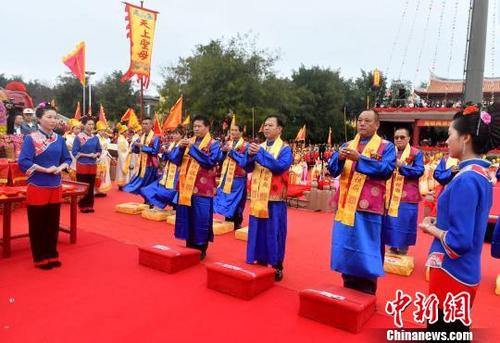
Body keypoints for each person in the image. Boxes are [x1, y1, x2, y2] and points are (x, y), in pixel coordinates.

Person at [419, 105, 500, 334]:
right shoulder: (480, 175)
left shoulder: (466, 179)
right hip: (464, 271)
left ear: (465, 138)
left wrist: (431, 229)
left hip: (452, 271)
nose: (446, 141)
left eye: (449, 135)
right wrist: (439, 223)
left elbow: (460, 240)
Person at [327, 110, 396, 295]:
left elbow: (387, 169)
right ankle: (347, 282)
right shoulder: (348, 145)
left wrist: (360, 159)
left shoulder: (386, 147)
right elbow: (333, 170)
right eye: (359, 120)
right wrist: (339, 158)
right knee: (345, 243)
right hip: (345, 205)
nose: (362, 124)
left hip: (369, 207)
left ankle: (367, 287)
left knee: (367, 246)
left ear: (377, 125)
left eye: (367, 121)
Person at [18, 102, 72, 270]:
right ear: (39, 119)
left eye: (55, 117)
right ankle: (40, 257)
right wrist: (44, 169)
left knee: (52, 222)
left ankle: (52, 254)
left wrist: (60, 168)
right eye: (49, 117)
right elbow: (24, 161)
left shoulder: (59, 139)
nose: (53, 120)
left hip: (55, 185)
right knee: (38, 223)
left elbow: (67, 159)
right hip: (37, 185)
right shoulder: (31, 138)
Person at [244, 115, 293, 281]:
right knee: (258, 230)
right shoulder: (259, 147)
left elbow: (279, 167)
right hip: (258, 196)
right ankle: (261, 259)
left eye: (270, 125)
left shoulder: (285, 149)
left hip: (274, 199)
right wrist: (249, 156)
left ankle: (277, 265)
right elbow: (248, 167)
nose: (266, 128)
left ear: (279, 129)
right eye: (265, 125)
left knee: (275, 232)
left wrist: (259, 154)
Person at [171, 115, 221, 259]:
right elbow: (175, 160)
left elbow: (210, 161)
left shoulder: (213, 144)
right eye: (194, 126)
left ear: (207, 128)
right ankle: (189, 245)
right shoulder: (188, 142)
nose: (196, 129)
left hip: (203, 189)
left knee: (201, 218)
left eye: (199, 126)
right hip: (186, 187)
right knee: (187, 217)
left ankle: (201, 248)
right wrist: (180, 149)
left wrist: (192, 149)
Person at [383, 127, 424, 255]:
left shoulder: (416, 153)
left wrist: (403, 167)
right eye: (396, 137)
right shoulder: (389, 152)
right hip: (390, 193)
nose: (399, 140)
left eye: (402, 137)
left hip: (407, 195)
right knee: (391, 221)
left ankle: (403, 248)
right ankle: (392, 247)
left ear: (409, 138)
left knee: (405, 222)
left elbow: (419, 171)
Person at [214, 123, 248, 230]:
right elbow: (219, 159)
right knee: (225, 197)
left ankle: (237, 221)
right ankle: (228, 218)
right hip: (226, 176)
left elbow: (244, 161)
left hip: (239, 177)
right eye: (232, 130)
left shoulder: (246, 146)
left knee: (238, 200)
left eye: (236, 130)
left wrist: (231, 152)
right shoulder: (228, 143)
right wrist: (223, 153)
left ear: (241, 132)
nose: (233, 132)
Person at [140, 125, 183, 209]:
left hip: (177, 171)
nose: (174, 136)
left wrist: (167, 153)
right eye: (174, 134)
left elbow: (175, 158)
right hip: (168, 169)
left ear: (182, 135)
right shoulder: (171, 144)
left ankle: (175, 206)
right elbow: (165, 158)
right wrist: (164, 152)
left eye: (177, 134)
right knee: (160, 187)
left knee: (173, 189)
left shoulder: (181, 146)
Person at [123, 118, 160, 201]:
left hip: (151, 165)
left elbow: (154, 151)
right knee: (142, 183)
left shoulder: (155, 138)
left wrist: (141, 146)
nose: (144, 126)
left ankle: (150, 201)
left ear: (151, 125)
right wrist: (134, 145)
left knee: (149, 184)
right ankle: (147, 200)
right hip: (142, 165)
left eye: (147, 124)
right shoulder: (141, 137)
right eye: (143, 123)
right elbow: (136, 151)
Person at [72, 117, 101, 213]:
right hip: (82, 164)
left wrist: (96, 154)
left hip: (92, 165)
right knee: (83, 185)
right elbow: (75, 152)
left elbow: (99, 150)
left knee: (91, 185)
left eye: (92, 124)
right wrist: (88, 155)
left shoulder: (95, 138)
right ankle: (82, 205)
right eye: (89, 124)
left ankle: (90, 205)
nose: (91, 126)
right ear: (84, 125)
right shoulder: (79, 137)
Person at [95, 121, 112, 196]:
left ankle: (100, 189)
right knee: (98, 174)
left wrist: (111, 157)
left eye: (104, 130)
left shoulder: (103, 139)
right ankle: (96, 190)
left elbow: (106, 149)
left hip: (105, 158)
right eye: (101, 130)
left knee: (104, 174)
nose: (103, 132)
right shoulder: (96, 138)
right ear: (98, 131)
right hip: (99, 159)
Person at [115, 123, 130, 190]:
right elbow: (122, 151)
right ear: (123, 132)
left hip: (124, 158)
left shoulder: (123, 139)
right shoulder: (121, 140)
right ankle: (122, 185)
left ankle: (123, 184)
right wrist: (129, 151)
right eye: (126, 131)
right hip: (123, 158)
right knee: (122, 171)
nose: (128, 132)